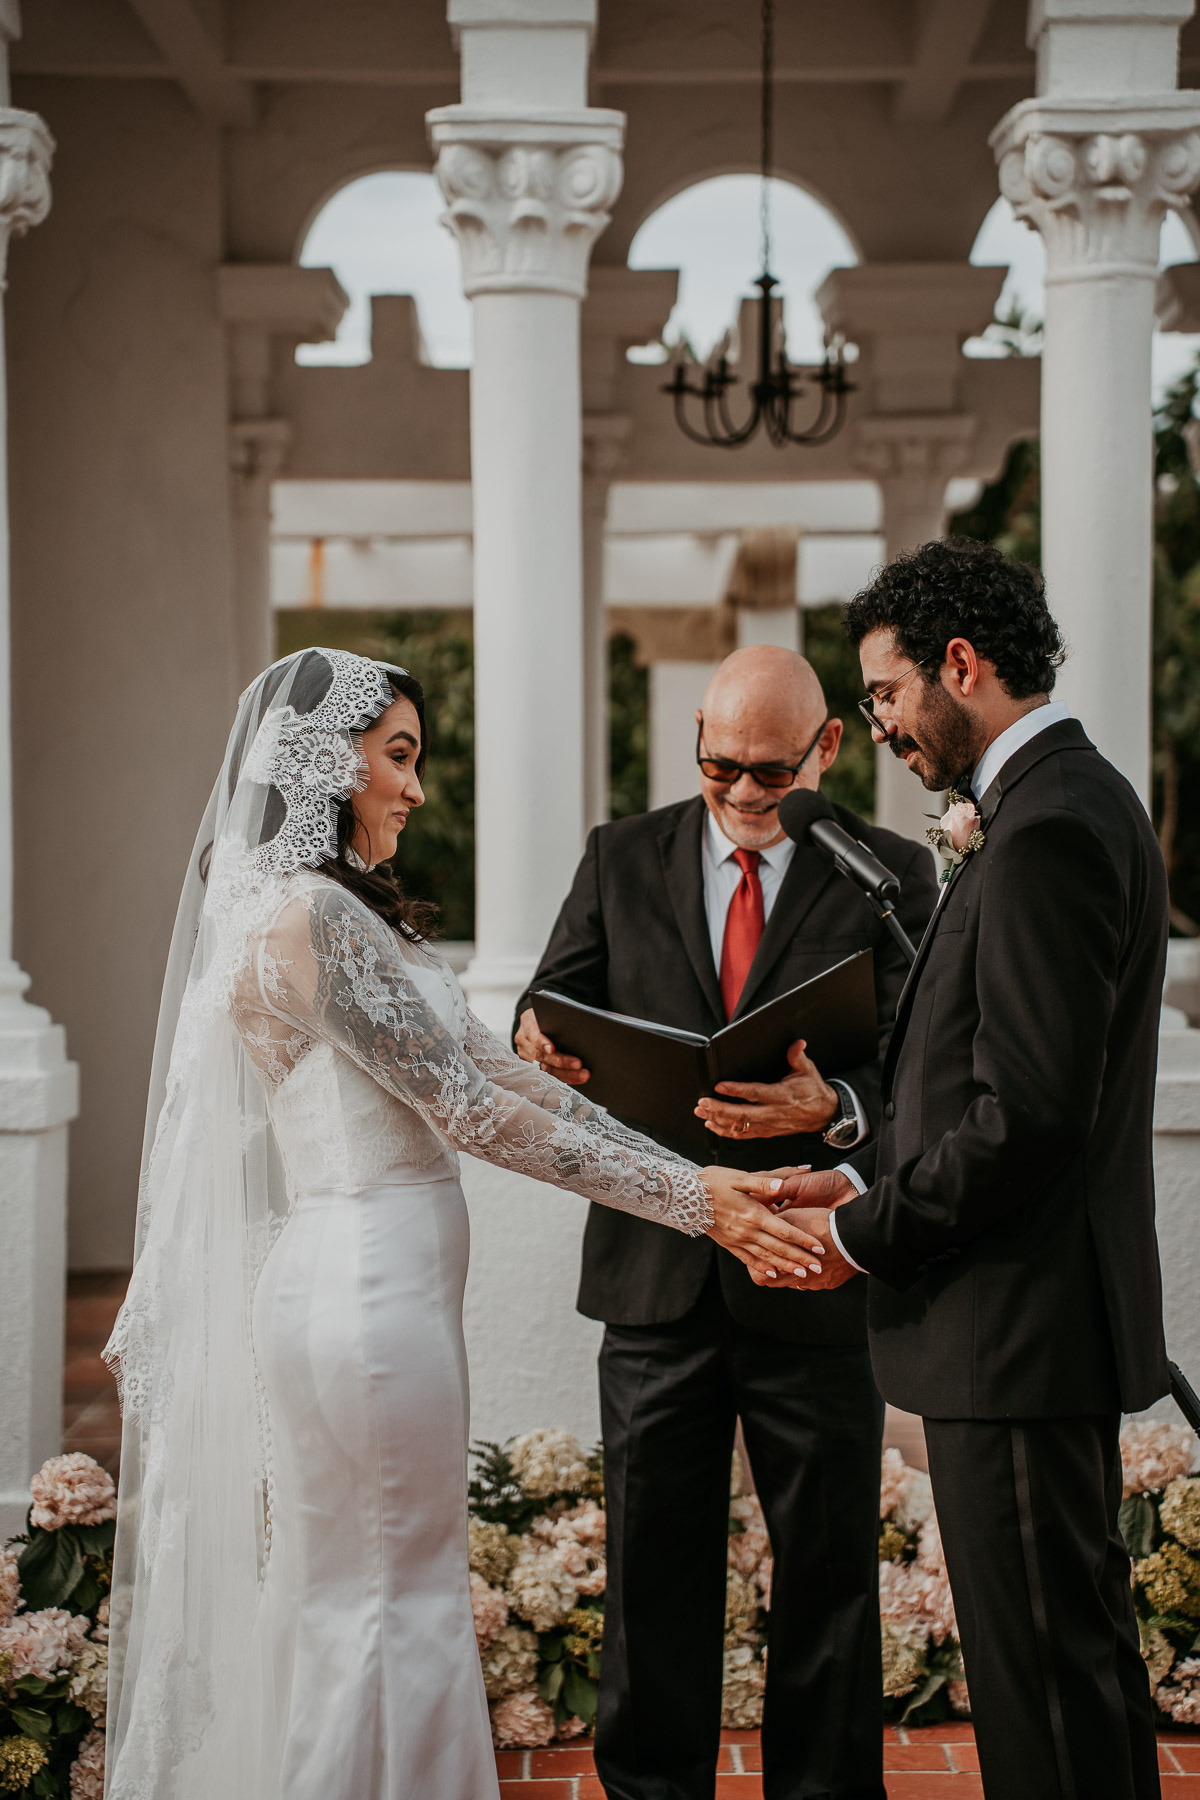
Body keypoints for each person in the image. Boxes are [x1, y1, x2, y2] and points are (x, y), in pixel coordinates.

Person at [102, 648, 823, 1800]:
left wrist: (698, 1180)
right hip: (361, 1297)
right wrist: (699, 1207)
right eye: (398, 757)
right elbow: (471, 1113)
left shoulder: (352, 916)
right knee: (391, 1595)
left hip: (379, 1294)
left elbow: (505, 1073)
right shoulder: (307, 921)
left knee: (372, 1587)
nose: (416, 787)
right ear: (325, 760)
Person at [773, 539, 1171, 1800]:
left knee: (1043, 1692)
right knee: (1075, 1672)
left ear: (961, 664)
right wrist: (863, 1176)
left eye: (886, 692)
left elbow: (1030, 1117)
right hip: (1029, 1328)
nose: (879, 724)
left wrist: (859, 1235)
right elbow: (977, 1084)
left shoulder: (1047, 827)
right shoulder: (1063, 801)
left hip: (1015, 1329)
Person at [514, 646, 938, 1800]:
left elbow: (925, 1069)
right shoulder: (620, 855)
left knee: (829, 1577)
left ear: (827, 748)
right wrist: (535, 1037)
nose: (746, 792)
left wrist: (836, 1107)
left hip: (813, 1271)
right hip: (655, 1274)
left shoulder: (889, 874)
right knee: (652, 1570)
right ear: (696, 739)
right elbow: (550, 1001)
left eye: (772, 771)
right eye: (721, 766)